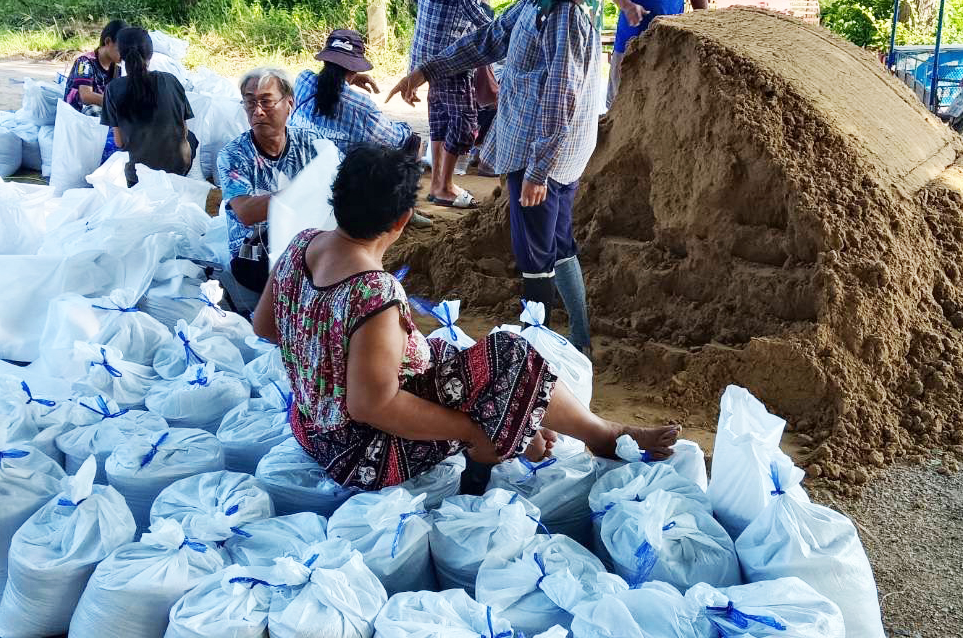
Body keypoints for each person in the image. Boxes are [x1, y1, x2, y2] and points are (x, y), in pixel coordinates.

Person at [251, 144, 680, 490]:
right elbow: (372, 405)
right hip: (362, 454)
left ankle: (537, 428)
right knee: (510, 355)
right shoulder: (372, 293)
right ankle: (588, 435)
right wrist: (475, 433)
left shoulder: (302, 245)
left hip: (313, 427)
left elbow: (265, 326)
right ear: (402, 220)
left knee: (448, 353)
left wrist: (322, 359)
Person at [389, 0, 604, 356]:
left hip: (543, 146)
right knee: (558, 239)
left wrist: (538, 169)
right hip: (556, 144)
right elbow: (492, 37)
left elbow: (562, 90)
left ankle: (536, 351)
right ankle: (581, 340)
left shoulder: (564, 4)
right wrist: (429, 68)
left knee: (534, 254)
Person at [402, 0, 498, 209]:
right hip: (449, 59)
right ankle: (444, 186)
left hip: (423, 51)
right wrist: (501, 33)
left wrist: (433, 9)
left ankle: (441, 185)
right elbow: (472, 8)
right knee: (467, 122)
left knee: (441, 115)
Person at [216, 67, 321, 294]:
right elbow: (246, 212)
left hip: (304, 241)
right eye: (250, 102)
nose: (258, 111)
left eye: (266, 101)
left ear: (289, 104)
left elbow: (339, 181)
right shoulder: (233, 154)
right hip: (253, 252)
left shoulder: (312, 144)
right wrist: (308, 190)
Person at [292, 29, 421, 158]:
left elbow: (328, 86)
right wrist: (410, 133)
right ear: (355, 69)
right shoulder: (363, 108)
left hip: (296, 167)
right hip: (334, 175)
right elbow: (396, 139)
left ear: (325, 61)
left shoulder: (302, 81)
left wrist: (346, 81)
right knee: (411, 146)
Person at [100, 26, 198, 188]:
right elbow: (184, 130)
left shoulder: (113, 88)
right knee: (192, 138)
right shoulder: (170, 80)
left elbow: (119, 142)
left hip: (138, 177)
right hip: (177, 169)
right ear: (150, 53)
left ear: (121, 55)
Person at [64, 19, 127, 161]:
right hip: (78, 116)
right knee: (94, 110)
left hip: (102, 112)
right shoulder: (85, 62)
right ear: (108, 41)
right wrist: (117, 104)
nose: (123, 55)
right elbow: (86, 96)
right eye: (120, 50)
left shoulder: (117, 68)